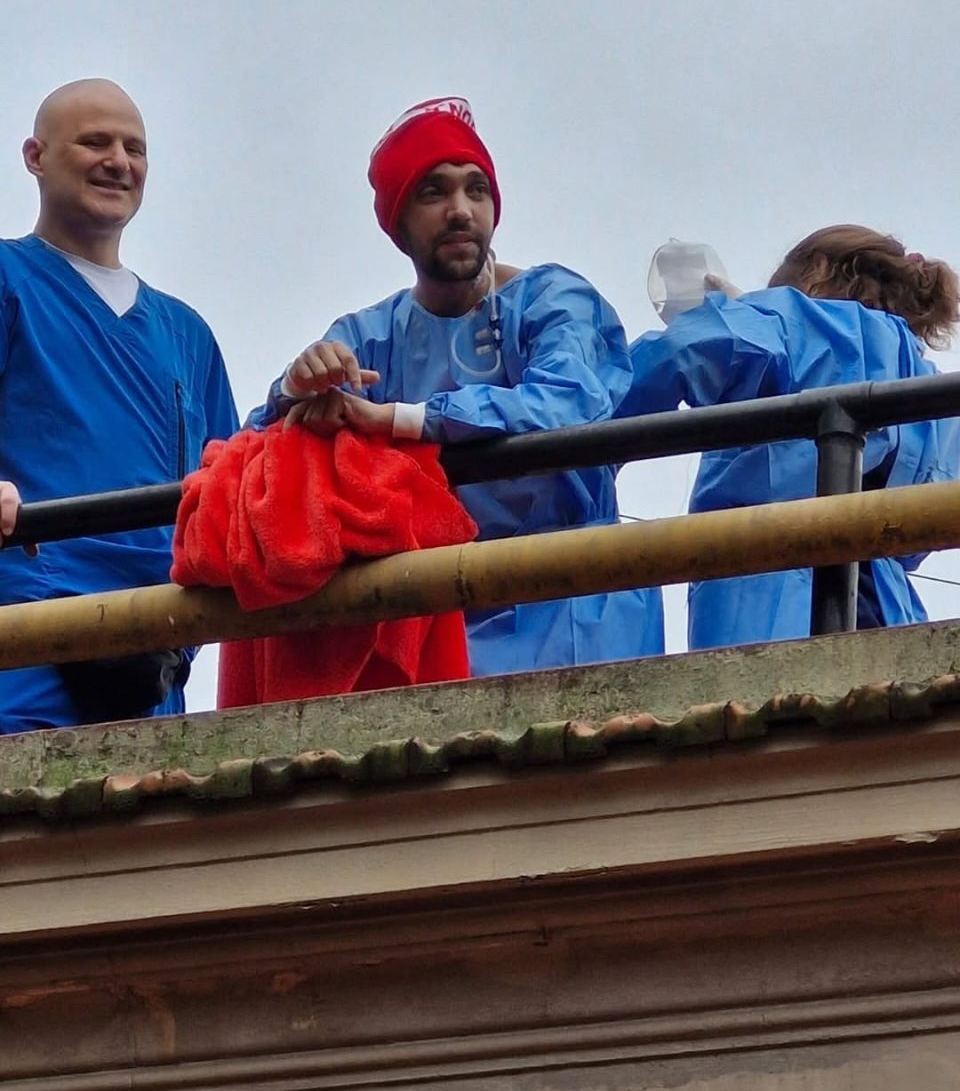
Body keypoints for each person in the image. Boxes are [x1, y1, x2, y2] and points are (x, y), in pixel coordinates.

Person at [248, 96, 663, 675]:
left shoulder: (554, 301)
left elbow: (569, 401)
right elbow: (262, 452)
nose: (461, 211)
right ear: (398, 223)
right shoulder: (369, 337)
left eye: (477, 189)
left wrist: (403, 420)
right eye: (433, 192)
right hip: (433, 620)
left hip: (577, 609)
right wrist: (295, 391)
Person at [0, 79, 238, 732]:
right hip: (26, 643)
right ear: (36, 157)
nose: (118, 162)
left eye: (134, 148)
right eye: (94, 142)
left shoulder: (186, 334)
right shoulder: (10, 280)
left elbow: (231, 485)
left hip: (157, 650)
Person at [621, 224, 960, 649]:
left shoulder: (788, 320)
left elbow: (671, 356)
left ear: (816, 270)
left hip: (770, 593)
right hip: (885, 608)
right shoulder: (931, 391)